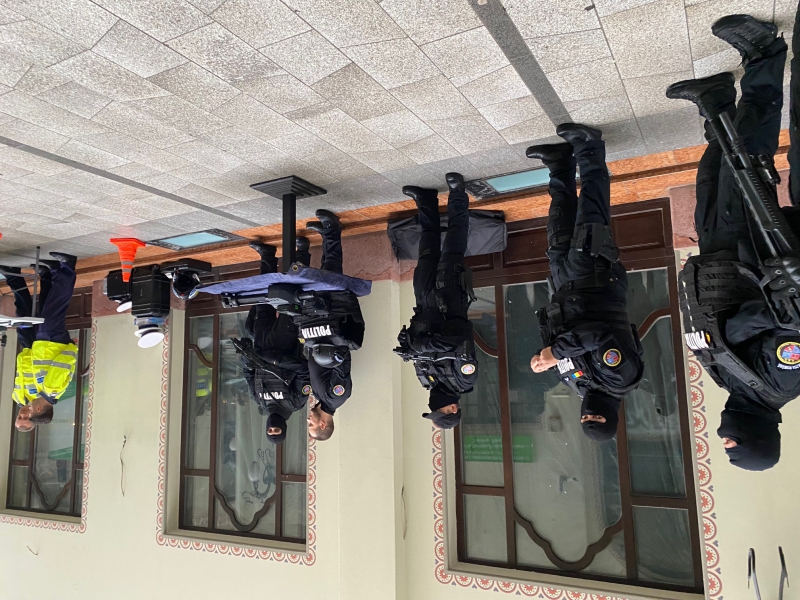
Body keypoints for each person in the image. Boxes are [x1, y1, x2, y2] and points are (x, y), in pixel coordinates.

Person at [665, 14, 797, 471]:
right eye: (734, 445)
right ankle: (764, 55)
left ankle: (718, 100)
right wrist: (734, 329)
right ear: (758, 439)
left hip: (716, 258)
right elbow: (787, 321)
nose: (723, 437)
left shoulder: (736, 387)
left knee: (714, 169)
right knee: (748, 154)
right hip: (748, 254)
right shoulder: (782, 381)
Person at [526, 123, 644, 442]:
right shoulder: (621, 378)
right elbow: (599, 335)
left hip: (565, 289)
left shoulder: (579, 386)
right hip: (595, 284)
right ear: (611, 416)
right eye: (597, 417)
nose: (589, 412)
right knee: (592, 213)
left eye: (585, 418)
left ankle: (559, 164)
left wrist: (544, 357)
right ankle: (590, 147)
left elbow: (565, 346)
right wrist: (555, 352)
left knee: (559, 223)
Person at [396, 172, 478, 430]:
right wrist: (427, 345)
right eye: (437, 410)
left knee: (427, 250)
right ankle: (457, 194)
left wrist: (409, 343)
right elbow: (462, 340)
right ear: (453, 408)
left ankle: (426, 201)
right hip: (448, 303)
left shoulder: (427, 381)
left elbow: (418, 351)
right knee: (453, 243)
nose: (432, 405)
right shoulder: (465, 379)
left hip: (423, 304)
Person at [296, 210, 365, 442]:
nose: (308, 420)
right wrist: (322, 349)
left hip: (319, 326)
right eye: (312, 424)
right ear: (323, 424)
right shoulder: (337, 396)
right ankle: (332, 229)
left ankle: (327, 235)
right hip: (332, 325)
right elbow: (341, 361)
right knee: (331, 273)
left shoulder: (321, 397)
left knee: (322, 278)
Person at [241, 240, 313, 445]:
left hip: (261, 341)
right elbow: (305, 371)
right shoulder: (296, 402)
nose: (273, 427)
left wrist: (247, 357)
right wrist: (275, 361)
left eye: (270, 430)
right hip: (286, 341)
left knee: (263, 296)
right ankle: (302, 252)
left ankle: (267, 256)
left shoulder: (259, 400)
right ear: (284, 428)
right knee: (291, 293)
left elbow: (248, 373)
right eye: (277, 430)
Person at [1, 252, 78, 431]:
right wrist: (72, 347)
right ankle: (66, 267)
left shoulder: (40, 392)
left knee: (48, 305)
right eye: (28, 415)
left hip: (41, 344)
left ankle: (54, 271)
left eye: (20, 416)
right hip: (52, 342)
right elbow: (65, 361)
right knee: (56, 303)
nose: (25, 411)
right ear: (37, 409)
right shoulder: (51, 388)